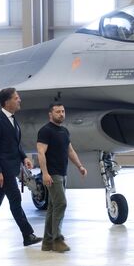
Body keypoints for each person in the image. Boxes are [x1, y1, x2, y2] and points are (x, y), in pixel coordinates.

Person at [0, 87, 43, 247]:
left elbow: (15, 144)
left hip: (11, 167)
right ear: (7, 102)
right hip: (4, 170)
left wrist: (24, 157)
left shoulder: (12, 119)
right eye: (16, 98)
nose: (19, 100)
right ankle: (28, 235)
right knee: (16, 200)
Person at [37, 103, 87, 252]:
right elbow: (40, 152)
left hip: (62, 172)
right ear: (50, 114)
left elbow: (70, 151)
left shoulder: (64, 131)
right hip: (52, 174)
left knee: (53, 207)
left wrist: (80, 166)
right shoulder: (45, 131)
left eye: (63, 111)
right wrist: (45, 173)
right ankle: (57, 239)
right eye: (57, 111)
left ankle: (47, 241)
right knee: (61, 203)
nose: (61, 114)